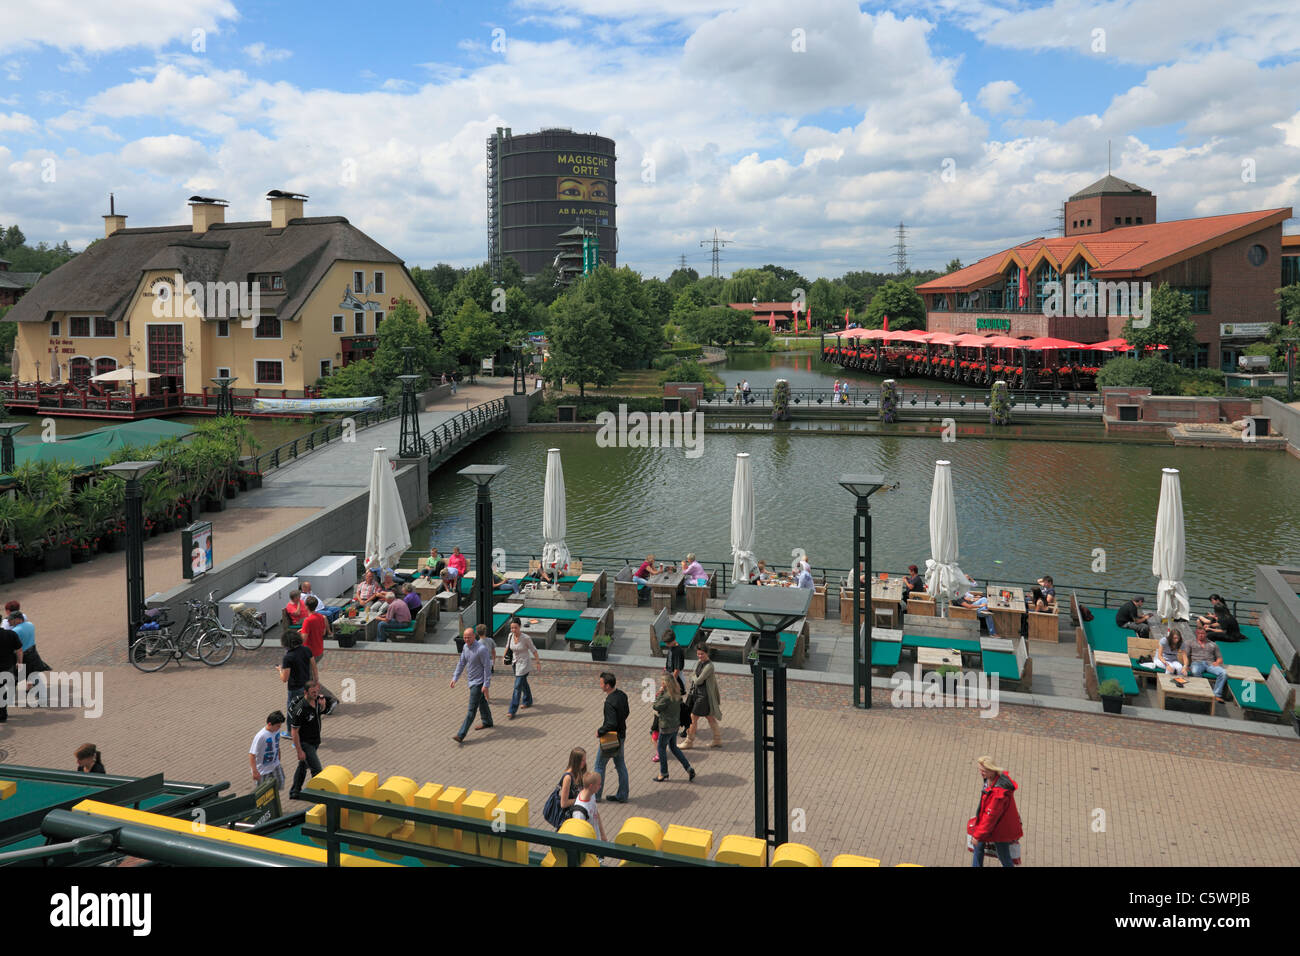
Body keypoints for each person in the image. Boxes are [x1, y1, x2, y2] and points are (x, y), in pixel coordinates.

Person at [969, 755, 1023, 867]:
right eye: (980, 769)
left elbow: (990, 817)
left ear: (991, 770)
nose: (980, 773)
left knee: (1003, 856)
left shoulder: (998, 794)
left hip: (1000, 830)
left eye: (983, 771)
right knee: (978, 847)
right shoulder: (993, 779)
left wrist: (978, 835)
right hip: (995, 825)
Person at [450, 626, 493, 743]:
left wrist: (486, 684)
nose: (466, 639)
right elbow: (461, 663)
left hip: (478, 683)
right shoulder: (465, 647)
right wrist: (455, 678)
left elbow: (487, 667)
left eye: (469, 637)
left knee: (471, 710)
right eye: (464, 637)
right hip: (471, 681)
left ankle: (461, 734)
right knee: (482, 702)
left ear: (474, 636)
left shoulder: (481, 649)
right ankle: (488, 721)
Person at [594, 672, 629, 803]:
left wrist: (600, 731)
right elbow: (626, 712)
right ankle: (623, 794)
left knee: (599, 765)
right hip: (621, 735)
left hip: (610, 738)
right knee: (620, 764)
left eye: (601, 683)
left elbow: (611, 723)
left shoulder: (609, 702)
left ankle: (596, 795)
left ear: (607, 686)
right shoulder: (622, 695)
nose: (600, 685)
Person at [652, 674, 695, 783]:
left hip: (666, 726)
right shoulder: (677, 693)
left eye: (662, 682)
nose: (661, 684)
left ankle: (663, 773)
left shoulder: (666, 696)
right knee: (674, 748)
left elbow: (655, 706)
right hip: (675, 725)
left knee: (661, 749)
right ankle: (688, 768)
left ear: (666, 684)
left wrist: (660, 693)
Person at [300, 597, 339, 714]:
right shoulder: (321, 617)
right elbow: (322, 632)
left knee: (310, 681)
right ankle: (314, 701)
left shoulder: (307, 620)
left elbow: (304, 639)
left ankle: (330, 699)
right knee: (309, 679)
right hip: (319, 650)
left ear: (306, 606)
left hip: (309, 654)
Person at [288, 681, 326, 800]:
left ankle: (295, 791)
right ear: (305, 692)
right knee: (317, 770)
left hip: (315, 741)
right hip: (305, 743)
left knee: (303, 766)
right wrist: (299, 750)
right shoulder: (300, 709)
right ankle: (318, 796)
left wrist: (323, 705)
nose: (315, 694)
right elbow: (294, 731)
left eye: (316, 692)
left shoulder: (316, 701)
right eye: (312, 692)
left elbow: (319, 714)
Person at [276, 632, 316, 741]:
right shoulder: (306, 650)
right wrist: (316, 682)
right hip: (307, 686)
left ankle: (292, 733)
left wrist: (280, 670)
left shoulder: (288, 657)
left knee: (293, 712)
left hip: (294, 689)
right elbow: (314, 667)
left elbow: (284, 679)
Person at [683, 645, 723, 749]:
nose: (700, 656)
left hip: (704, 696)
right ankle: (717, 739)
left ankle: (689, 741)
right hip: (697, 694)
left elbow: (698, 680)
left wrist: (693, 677)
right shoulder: (699, 663)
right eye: (698, 654)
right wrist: (694, 677)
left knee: (693, 718)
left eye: (702, 654)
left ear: (707, 653)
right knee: (709, 717)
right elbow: (694, 675)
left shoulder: (709, 666)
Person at [505, 617, 540, 719]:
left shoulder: (526, 638)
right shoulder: (510, 635)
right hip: (514, 663)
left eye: (515, 628)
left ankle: (512, 710)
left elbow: (534, 650)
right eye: (511, 628)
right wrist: (504, 657)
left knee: (517, 687)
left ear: (520, 627)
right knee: (523, 683)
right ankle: (528, 700)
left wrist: (538, 662)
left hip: (524, 664)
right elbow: (507, 647)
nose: (513, 630)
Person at [1186, 624, 1228, 702]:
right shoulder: (1190, 643)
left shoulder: (1213, 644)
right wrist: (1186, 665)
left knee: (1223, 673)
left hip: (1210, 664)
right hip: (1197, 662)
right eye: (1199, 633)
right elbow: (1186, 655)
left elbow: (1219, 658)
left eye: (1203, 633)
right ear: (1196, 634)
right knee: (1195, 671)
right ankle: (1203, 691)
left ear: (1206, 634)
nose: (1201, 635)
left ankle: (1216, 694)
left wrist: (1217, 662)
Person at [249, 712, 286, 791]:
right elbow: (252, 754)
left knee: (279, 784)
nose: (279, 728)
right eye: (277, 726)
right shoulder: (261, 736)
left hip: (275, 765)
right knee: (262, 793)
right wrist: (254, 771)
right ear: (270, 724)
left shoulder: (276, 731)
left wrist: (279, 755)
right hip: (262, 770)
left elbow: (276, 743)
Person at [554, 748, 587, 826]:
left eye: (585, 759)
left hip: (577, 812)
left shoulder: (579, 771)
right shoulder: (568, 778)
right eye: (582, 760)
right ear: (576, 761)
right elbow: (563, 803)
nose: (585, 763)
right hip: (568, 818)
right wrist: (579, 799)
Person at [573, 772, 606, 841]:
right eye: (598, 784)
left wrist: (602, 834)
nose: (600, 786)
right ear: (591, 786)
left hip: (597, 839)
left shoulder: (592, 794)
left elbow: (596, 813)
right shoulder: (579, 812)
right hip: (589, 844)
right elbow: (579, 835)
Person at [0, 623, 20, 723]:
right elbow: (19, 649)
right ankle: (3, 713)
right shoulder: (11, 634)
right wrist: (19, 663)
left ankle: (2, 713)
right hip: (8, 667)